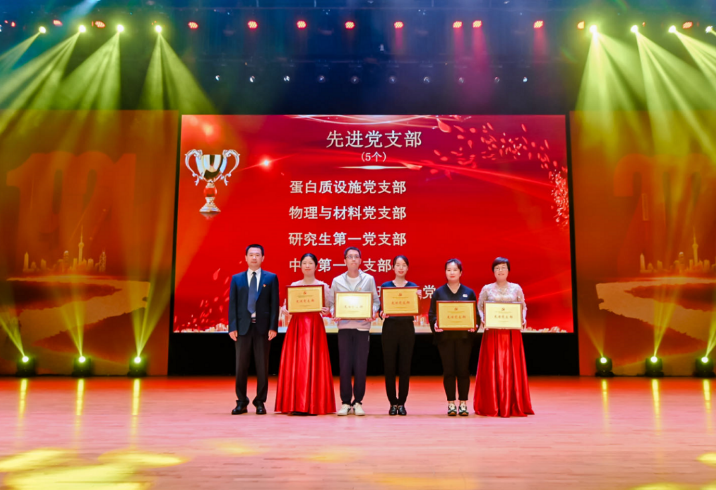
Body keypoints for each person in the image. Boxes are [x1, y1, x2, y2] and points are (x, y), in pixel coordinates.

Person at [275, 253, 336, 415]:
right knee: (297, 363)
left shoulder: (323, 286)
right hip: (297, 327)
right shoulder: (294, 286)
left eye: (310, 263)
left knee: (315, 362)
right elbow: (286, 307)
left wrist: (326, 310)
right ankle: (295, 403)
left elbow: (330, 309)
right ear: (300, 266)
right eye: (304, 263)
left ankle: (314, 404)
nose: (307, 266)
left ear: (316, 266)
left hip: (315, 327)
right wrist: (286, 309)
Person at [474, 257, 534, 417]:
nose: (500, 271)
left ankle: (514, 403)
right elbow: (480, 307)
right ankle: (492, 404)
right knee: (492, 367)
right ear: (493, 271)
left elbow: (523, 307)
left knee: (512, 367)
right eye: (497, 268)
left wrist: (522, 318)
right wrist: (483, 319)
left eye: (503, 267)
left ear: (508, 270)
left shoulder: (516, 288)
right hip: (492, 333)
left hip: (511, 333)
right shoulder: (487, 288)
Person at [328, 246, 380, 416]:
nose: (353, 259)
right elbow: (332, 304)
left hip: (362, 328)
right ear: (344, 261)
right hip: (344, 327)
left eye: (356, 256)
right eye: (349, 257)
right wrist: (335, 313)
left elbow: (375, 301)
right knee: (344, 366)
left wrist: (372, 311)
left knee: (360, 366)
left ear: (360, 260)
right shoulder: (337, 281)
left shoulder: (369, 279)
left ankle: (358, 402)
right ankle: (345, 402)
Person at [228, 244, 279, 415]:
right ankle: (241, 401)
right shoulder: (237, 279)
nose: (254, 257)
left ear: (263, 258)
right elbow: (233, 304)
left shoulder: (271, 278)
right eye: (251, 254)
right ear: (246, 258)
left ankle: (260, 402)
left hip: (262, 328)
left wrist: (273, 327)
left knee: (262, 367)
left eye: (257, 255)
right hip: (242, 328)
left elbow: (274, 305)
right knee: (240, 367)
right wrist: (232, 326)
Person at [429, 258, 477, 417]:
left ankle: (463, 403)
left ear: (461, 272)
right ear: (445, 272)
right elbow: (432, 314)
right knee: (448, 371)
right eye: (449, 270)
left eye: (455, 269)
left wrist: (474, 325)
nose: (452, 272)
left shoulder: (469, 292)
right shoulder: (439, 292)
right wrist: (435, 324)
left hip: (464, 338)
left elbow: (475, 315)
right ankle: (450, 403)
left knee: (463, 371)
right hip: (445, 339)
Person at [380, 255, 418, 416]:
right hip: (389, 329)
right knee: (389, 367)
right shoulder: (386, 286)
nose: (401, 268)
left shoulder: (413, 287)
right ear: (393, 267)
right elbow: (380, 309)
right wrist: (381, 313)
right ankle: (392, 403)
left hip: (407, 329)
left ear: (407, 268)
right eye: (397, 265)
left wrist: (417, 302)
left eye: (403, 265)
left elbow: (417, 310)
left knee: (405, 367)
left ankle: (401, 403)